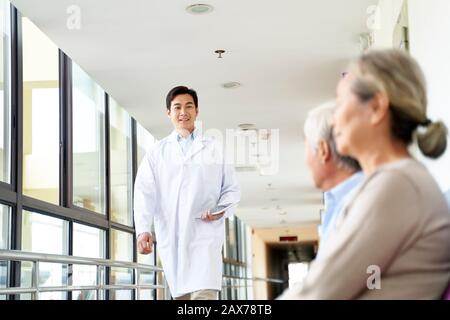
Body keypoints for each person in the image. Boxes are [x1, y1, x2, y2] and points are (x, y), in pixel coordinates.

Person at [280, 49, 450, 299]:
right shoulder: (395, 182)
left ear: (376, 107)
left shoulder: (397, 185)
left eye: (340, 103)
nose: (334, 119)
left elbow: (317, 293)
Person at [133, 86, 240, 300]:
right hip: (172, 237)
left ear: (197, 111)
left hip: (205, 234)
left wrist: (218, 211)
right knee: (181, 298)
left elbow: (231, 189)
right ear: (169, 113)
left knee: (204, 296)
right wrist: (143, 229)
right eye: (177, 107)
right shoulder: (157, 152)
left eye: (189, 106)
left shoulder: (214, 148)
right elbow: (144, 192)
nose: (183, 112)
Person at [303, 102, 363, 255]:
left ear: (323, 150)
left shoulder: (362, 203)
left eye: (307, 148)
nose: (306, 161)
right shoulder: (339, 202)